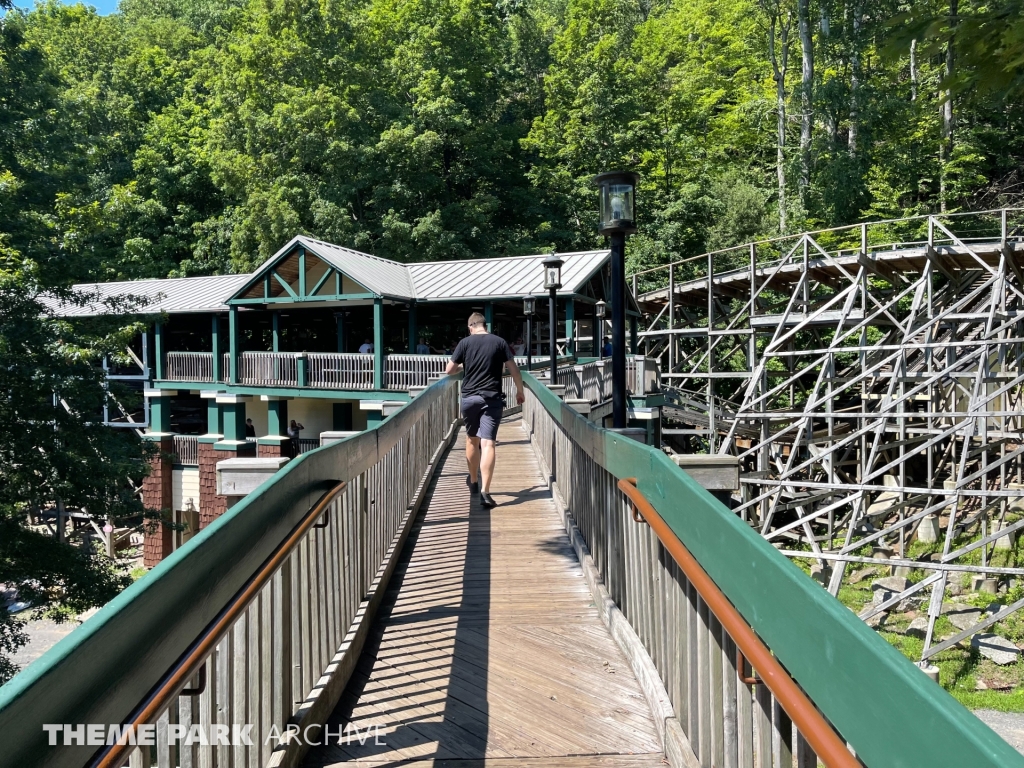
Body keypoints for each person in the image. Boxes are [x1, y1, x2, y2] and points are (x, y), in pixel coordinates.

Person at [445, 312, 525, 508]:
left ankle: (473, 480)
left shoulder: (464, 343)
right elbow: (514, 369)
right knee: (488, 443)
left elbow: (449, 370)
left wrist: (463, 367)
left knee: (472, 439)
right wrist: (519, 390)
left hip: (469, 398)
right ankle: (485, 492)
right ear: (484, 325)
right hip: (492, 399)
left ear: (471, 327)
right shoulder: (499, 342)